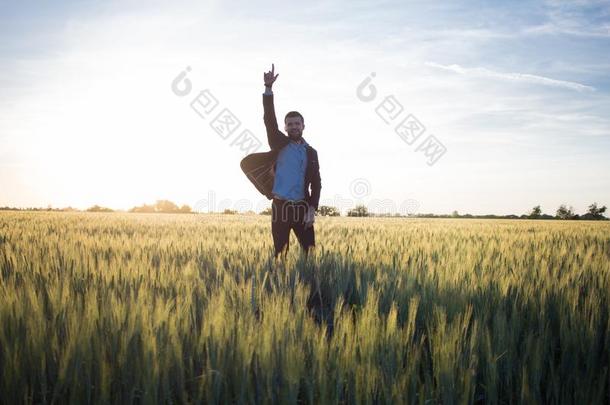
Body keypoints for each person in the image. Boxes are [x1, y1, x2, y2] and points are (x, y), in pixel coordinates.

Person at [240, 63, 322, 258]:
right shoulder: (279, 143)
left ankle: (312, 287)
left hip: (302, 207)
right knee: (280, 255)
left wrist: (312, 209)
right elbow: (269, 119)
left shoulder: (311, 153)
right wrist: (268, 89)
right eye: (290, 124)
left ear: (303, 126)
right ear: (285, 128)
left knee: (310, 254)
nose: (293, 127)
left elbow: (316, 183)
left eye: (297, 123)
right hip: (280, 207)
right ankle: (283, 287)